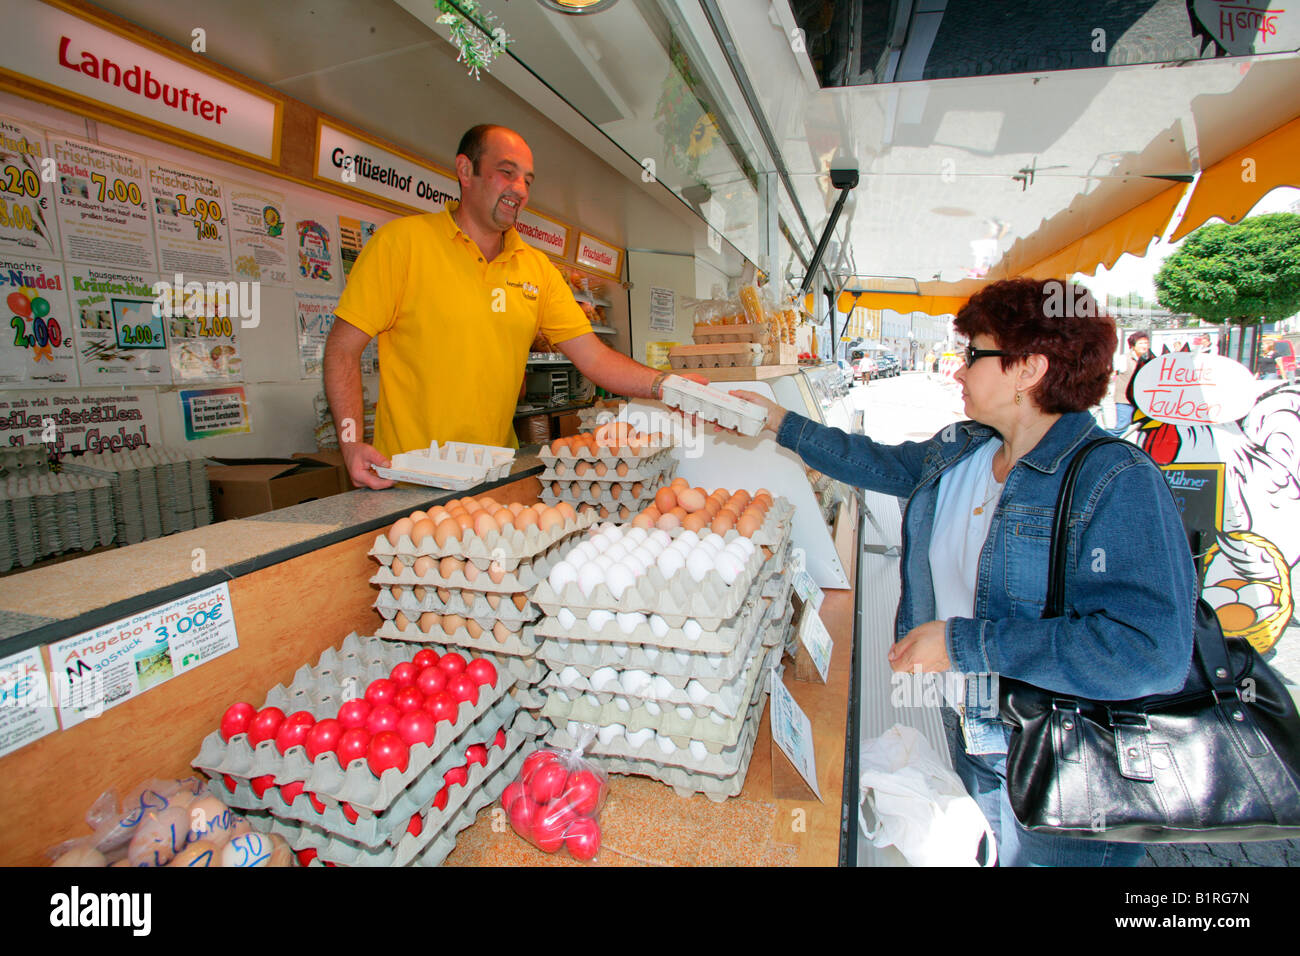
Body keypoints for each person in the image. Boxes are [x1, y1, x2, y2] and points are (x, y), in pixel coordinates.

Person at [733, 278, 1196, 866]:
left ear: (1028, 368)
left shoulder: (1115, 479)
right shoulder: (968, 449)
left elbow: (1149, 652)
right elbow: (879, 461)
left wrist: (962, 642)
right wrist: (778, 421)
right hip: (974, 729)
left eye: (974, 354)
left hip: (1067, 757)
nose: (958, 370)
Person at [324, 124, 705, 489]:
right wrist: (351, 441)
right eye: (506, 173)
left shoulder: (536, 269)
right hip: (407, 477)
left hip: (492, 475)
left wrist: (665, 384)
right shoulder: (401, 245)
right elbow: (342, 348)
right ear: (465, 170)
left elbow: (595, 358)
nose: (519, 189)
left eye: (527, 180)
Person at [1111, 330, 1151, 433]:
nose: (1144, 346)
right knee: (1121, 429)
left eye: (1146, 343)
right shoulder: (1124, 359)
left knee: (1148, 427)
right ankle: (1102, 443)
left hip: (1142, 401)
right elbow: (1112, 374)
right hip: (1125, 401)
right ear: (1133, 345)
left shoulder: (1148, 361)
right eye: (1141, 343)